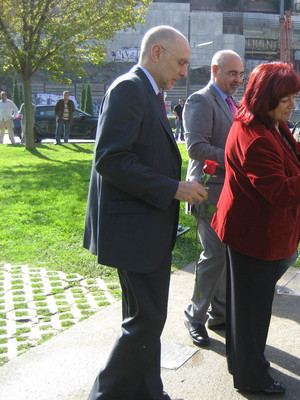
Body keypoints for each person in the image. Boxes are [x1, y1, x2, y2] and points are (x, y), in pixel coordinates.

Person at [83, 25, 207, 400]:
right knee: (147, 320)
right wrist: (173, 188)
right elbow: (111, 159)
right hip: (134, 231)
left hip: (144, 228)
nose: (184, 71)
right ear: (157, 52)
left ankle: (150, 394)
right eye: (181, 62)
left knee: (143, 319)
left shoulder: (147, 91)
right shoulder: (129, 88)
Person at [211, 62, 300, 395]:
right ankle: (252, 379)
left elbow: (284, 151)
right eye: (285, 99)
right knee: (252, 314)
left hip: (248, 230)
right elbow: (282, 192)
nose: (293, 106)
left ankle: (240, 364)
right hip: (254, 236)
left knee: (245, 310)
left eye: (294, 98)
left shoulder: (263, 122)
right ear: (265, 96)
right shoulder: (255, 137)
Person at [182, 49, 244, 347]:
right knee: (215, 254)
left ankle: (220, 315)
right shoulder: (200, 100)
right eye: (232, 73)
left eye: (240, 74)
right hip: (207, 190)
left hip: (232, 193)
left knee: (227, 255)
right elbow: (196, 147)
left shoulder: (234, 104)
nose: (238, 80)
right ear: (215, 69)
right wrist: (238, 159)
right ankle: (195, 315)